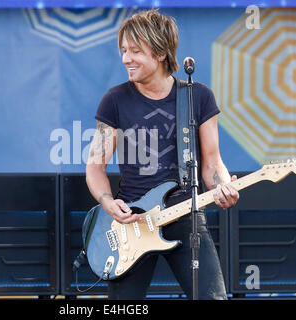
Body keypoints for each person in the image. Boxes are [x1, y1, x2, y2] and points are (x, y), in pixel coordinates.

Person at [85, 9, 239, 300]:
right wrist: (108, 202)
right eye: (123, 51)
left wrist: (221, 187)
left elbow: (212, 162)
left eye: (134, 51)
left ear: (159, 53)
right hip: (131, 222)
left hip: (186, 215)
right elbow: (95, 167)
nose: (125, 59)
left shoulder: (198, 96)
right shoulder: (114, 100)